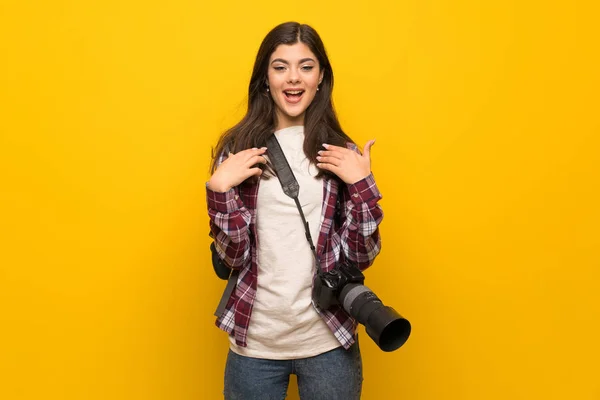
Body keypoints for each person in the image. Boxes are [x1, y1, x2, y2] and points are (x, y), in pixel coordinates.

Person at [206, 21, 383, 400]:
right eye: (280, 66)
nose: (293, 79)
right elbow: (233, 256)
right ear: (264, 78)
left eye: (306, 66)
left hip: (327, 342)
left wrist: (362, 187)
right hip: (255, 345)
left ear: (321, 78)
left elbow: (359, 257)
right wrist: (219, 189)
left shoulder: (342, 154)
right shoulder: (238, 153)